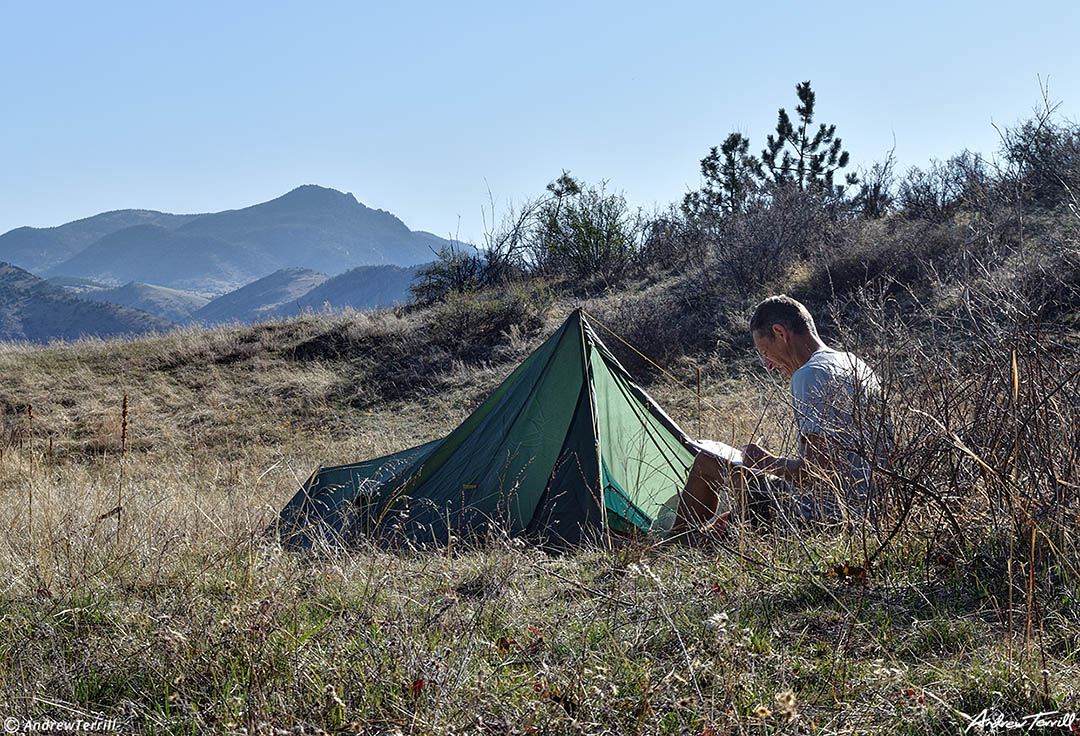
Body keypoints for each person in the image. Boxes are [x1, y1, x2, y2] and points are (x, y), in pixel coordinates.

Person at [672, 294, 890, 535]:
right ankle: (693, 543)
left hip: (827, 514)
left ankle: (676, 542)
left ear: (780, 332)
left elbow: (817, 474)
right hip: (873, 508)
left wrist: (765, 462)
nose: (769, 365)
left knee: (707, 461)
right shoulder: (855, 364)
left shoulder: (810, 374)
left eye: (765, 352)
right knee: (729, 521)